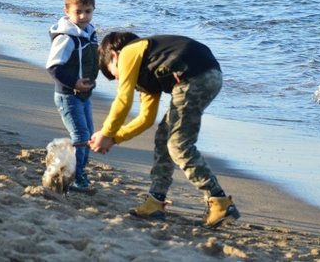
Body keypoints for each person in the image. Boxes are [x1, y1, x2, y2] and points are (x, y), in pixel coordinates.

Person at [89, 32, 240, 227]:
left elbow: (123, 101)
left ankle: (219, 200)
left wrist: (105, 133)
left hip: (194, 76)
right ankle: (155, 201)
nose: (119, 79)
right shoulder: (150, 65)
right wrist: (115, 138)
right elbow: (145, 118)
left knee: (179, 145)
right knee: (163, 137)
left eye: (114, 74)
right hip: (206, 76)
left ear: (115, 56)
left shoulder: (128, 52)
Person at [45, 0, 98, 192]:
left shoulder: (90, 33)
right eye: (78, 11)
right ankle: (77, 176)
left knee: (89, 134)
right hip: (67, 95)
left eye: (88, 11)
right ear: (67, 11)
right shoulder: (66, 37)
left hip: (84, 94)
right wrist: (74, 82)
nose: (84, 16)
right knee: (80, 136)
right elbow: (53, 68)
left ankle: (77, 171)